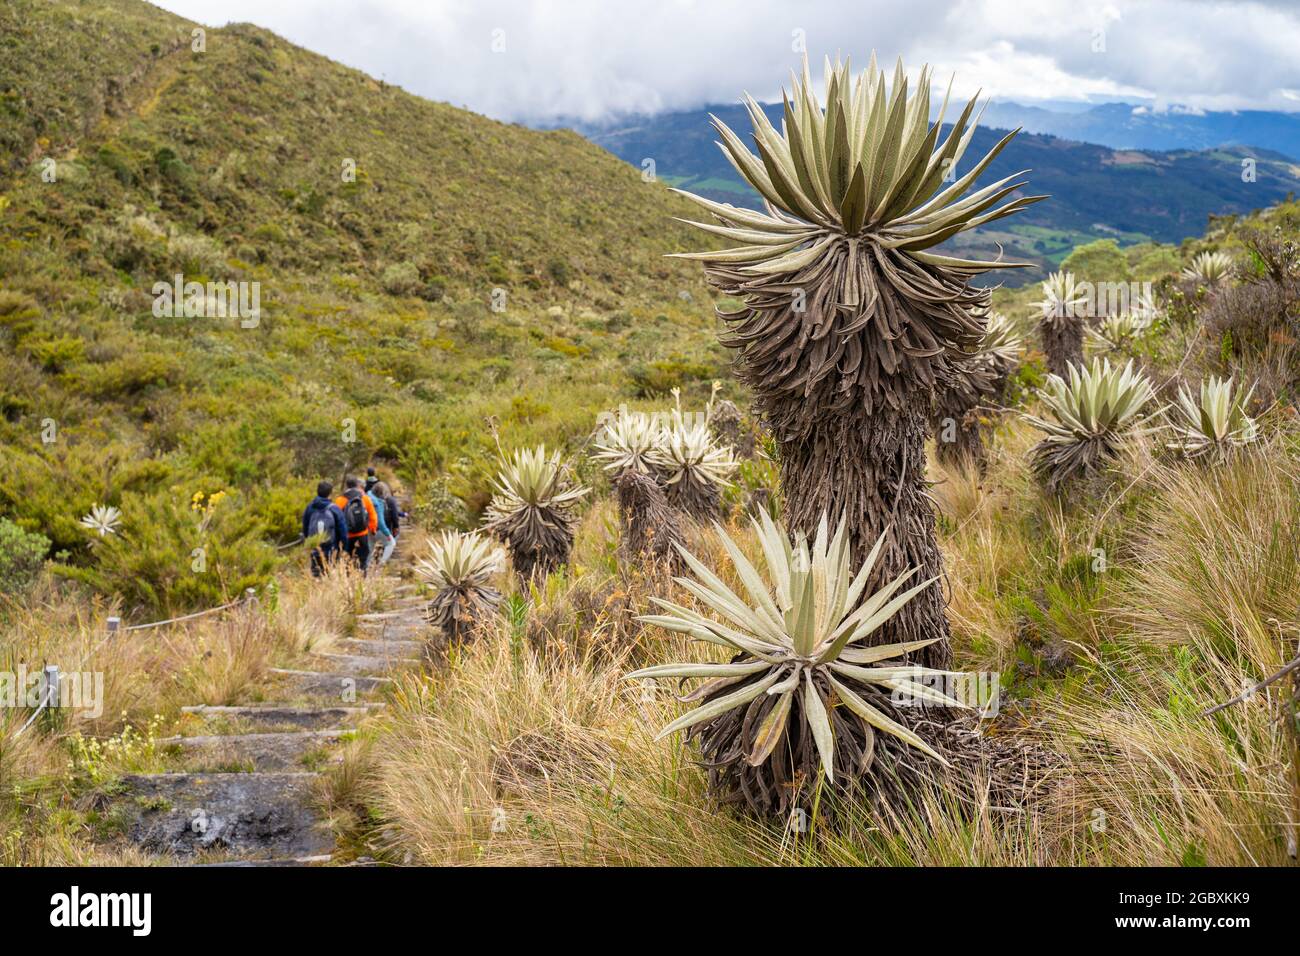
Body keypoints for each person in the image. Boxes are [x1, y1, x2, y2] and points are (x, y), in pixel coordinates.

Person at [301, 480, 347, 577]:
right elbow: (343, 532)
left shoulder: (310, 507)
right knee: (329, 574)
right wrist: (343, 548)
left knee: (316, 574)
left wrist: (309, 541)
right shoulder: (335, 509)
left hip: (315, 548)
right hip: (331, 548)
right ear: (330, 493)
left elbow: (305, 527)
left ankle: (316, 589)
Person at [334, 476, 377, 572]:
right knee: (362, 560)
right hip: (362, 534)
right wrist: (372, 529)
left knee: (347, 561)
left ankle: (350, 580)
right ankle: (362, 580)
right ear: (357, 485)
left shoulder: (340, 500)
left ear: (346, 485)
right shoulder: (365, 498)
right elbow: (373, 516)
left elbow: (336, 518)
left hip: (347, 536)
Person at [372, 481, 401, 566]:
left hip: (372, 529)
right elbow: (395, 516)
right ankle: (383, 561)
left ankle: (374, 559)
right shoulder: (390, 500)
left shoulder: (370, 499)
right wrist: (396, 527)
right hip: (386, 528)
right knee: (391, 542)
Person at [367, 480, 394, 567]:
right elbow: (380, 522)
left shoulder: (368, 496)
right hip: (376, 529)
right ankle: (382, 563)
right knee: (391, 543)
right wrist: (388, 534)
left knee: (370, 551)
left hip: (366, 529)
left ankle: (366, 571)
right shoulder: (378, 502)